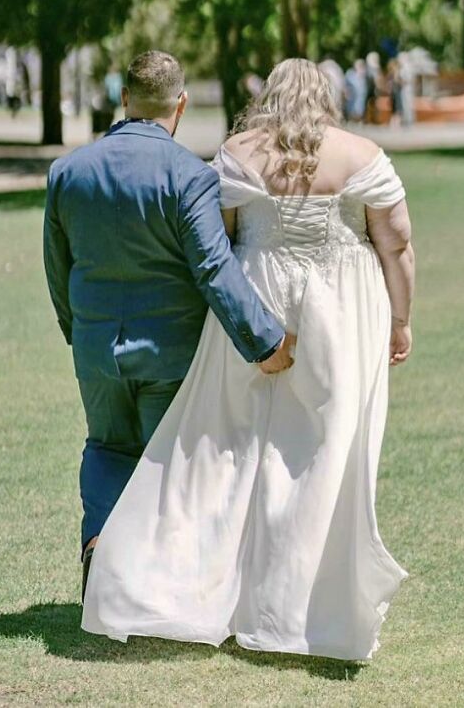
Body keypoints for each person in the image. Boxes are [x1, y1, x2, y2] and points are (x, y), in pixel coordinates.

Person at [82, 58, 415, 662]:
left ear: (268, 95)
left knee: (235, 450)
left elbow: (224, 239)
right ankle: (307, 609)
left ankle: (211, 591)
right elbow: (397, 244)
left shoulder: (238, 152)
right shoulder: (363, 155)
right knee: (321, 454)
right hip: (342, 313)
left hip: (256, 308)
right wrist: (400, 318)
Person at [43, 51, 292, 600]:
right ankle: (158, 590)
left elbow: (57, 268)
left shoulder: (68, 172)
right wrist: (265, 342)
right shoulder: (190, 177)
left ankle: (99, 543)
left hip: (94, 346)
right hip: (168, 349)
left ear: (124, 100)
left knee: (108, 447)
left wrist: (76, 329)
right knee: (168, 460)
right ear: (180, 105)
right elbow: (213, 269)